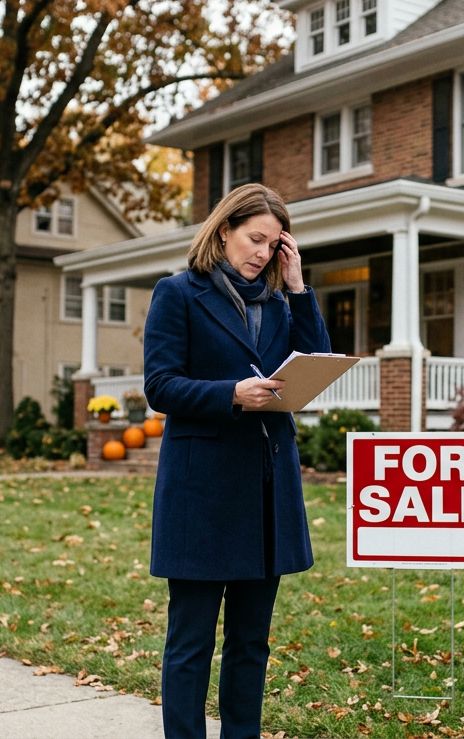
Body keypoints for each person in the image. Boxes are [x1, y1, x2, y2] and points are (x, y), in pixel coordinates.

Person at [142, 183, 331, 739]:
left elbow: (313, 364)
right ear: (224, 230)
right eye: (254, 239)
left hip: (267, 491)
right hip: (201, 495)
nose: (262, 253)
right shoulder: (177, 293)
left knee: (251, 641)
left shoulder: (278, 302)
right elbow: (160, 385)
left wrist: (298, 289)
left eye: (274, 245)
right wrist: (231, 393)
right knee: (191, 642)